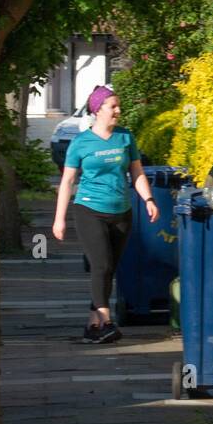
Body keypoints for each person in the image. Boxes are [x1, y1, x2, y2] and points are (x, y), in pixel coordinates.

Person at [52, 85, 159, 343]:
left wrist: (149, 199)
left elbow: (137, 172)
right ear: (97, 110)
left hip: (121, 211)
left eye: (118, 105)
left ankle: (92, 325)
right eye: (113, 106)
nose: (118, 110)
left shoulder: (125, 138)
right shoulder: (80, 143)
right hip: (89, 209)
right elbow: (67, 182)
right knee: (100, 265)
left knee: (109, 269)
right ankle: (107, 322)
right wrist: (59, 219)